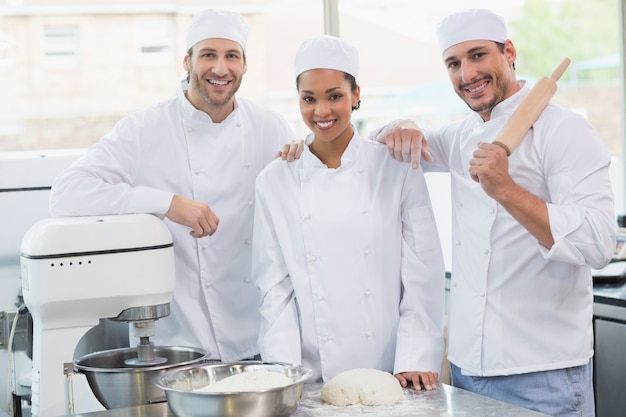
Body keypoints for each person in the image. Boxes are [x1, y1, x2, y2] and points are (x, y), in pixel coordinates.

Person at [374, 8, 616, 417]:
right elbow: (386, 147)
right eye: (454, 63)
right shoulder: (458, 136)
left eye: (478, 55)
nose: (467, 74)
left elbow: (598, 242)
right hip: (468, 371)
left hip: (544, 375)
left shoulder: (564, 131)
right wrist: (400, 122)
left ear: (509, 51)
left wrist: (506, 190)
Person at [48, 9, 297, 362]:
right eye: (208, 55)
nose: (220, 68)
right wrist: (167, 204)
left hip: (259, 338)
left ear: (244, 65)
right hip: (180, 344)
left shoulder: (270, 127)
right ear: (187, 61)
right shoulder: (145, 129)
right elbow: (66, 193)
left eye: (232, 56)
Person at [251, 34, 446, 390]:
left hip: (391, 372)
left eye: (335, 96)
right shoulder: (275, 180)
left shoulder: (395, 167)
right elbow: (274, 289)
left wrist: (415, 358)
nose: (321, 111)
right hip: (309, 374)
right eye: (309, 98)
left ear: (356, 95)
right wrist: (283, 374)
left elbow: (422, 270)